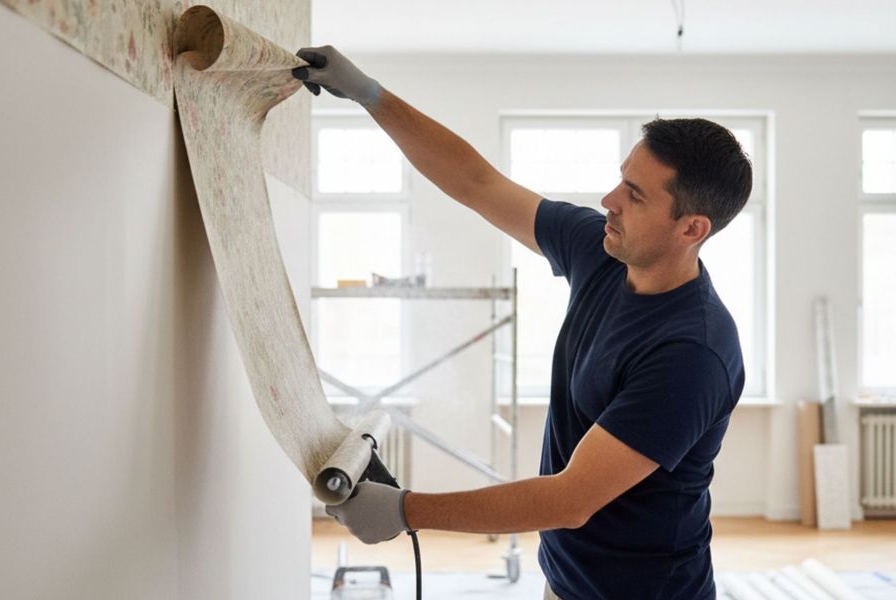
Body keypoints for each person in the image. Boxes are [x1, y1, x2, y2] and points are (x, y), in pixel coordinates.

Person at [294, 47, 752, 600]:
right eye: (619, 180)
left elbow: (569, 500)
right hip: (566, 584)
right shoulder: (603, 251)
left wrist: (405, 510)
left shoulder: (691, 353)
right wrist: (371, 95)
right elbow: (477, 183)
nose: (608, 201)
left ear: (692, 228)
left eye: (634, 196)